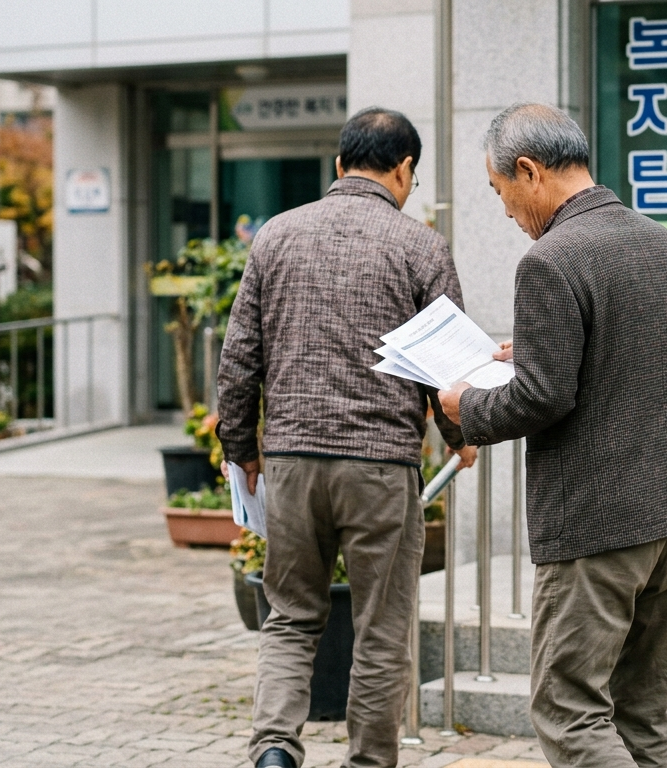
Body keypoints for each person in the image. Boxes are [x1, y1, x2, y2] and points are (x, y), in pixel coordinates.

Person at [437, 103, 667, 768]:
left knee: (570, 712)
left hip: (594, 524)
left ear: (528, 170)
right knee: (640, 712)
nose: (504, 211)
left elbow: (542, 399)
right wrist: (531, 351)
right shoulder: (661, 243)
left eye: (500, 192)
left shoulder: (550, 260)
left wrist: (464, 404)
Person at [215, 106, 476, 768]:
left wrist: (241, 450)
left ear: (339, 165)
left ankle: (274, 750)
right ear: (405, 168)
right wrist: (459, 433)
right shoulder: (421, 247)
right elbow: (447, 365)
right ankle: (368, 762)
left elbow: (240, 357)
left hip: (295, 459)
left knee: (292, 615)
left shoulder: (275, 236)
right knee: (382, 630)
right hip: (381, 466)